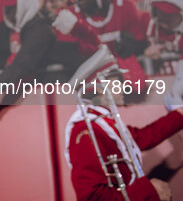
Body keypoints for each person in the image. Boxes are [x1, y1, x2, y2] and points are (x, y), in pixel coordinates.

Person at [65, 70, 183, 201]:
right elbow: (94, 197)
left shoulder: (104, 124)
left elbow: (143, 137)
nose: (124, 86)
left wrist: (179, 114)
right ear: (99, 88)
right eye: (118, 81)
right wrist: (150, 191)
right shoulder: (86, 129)